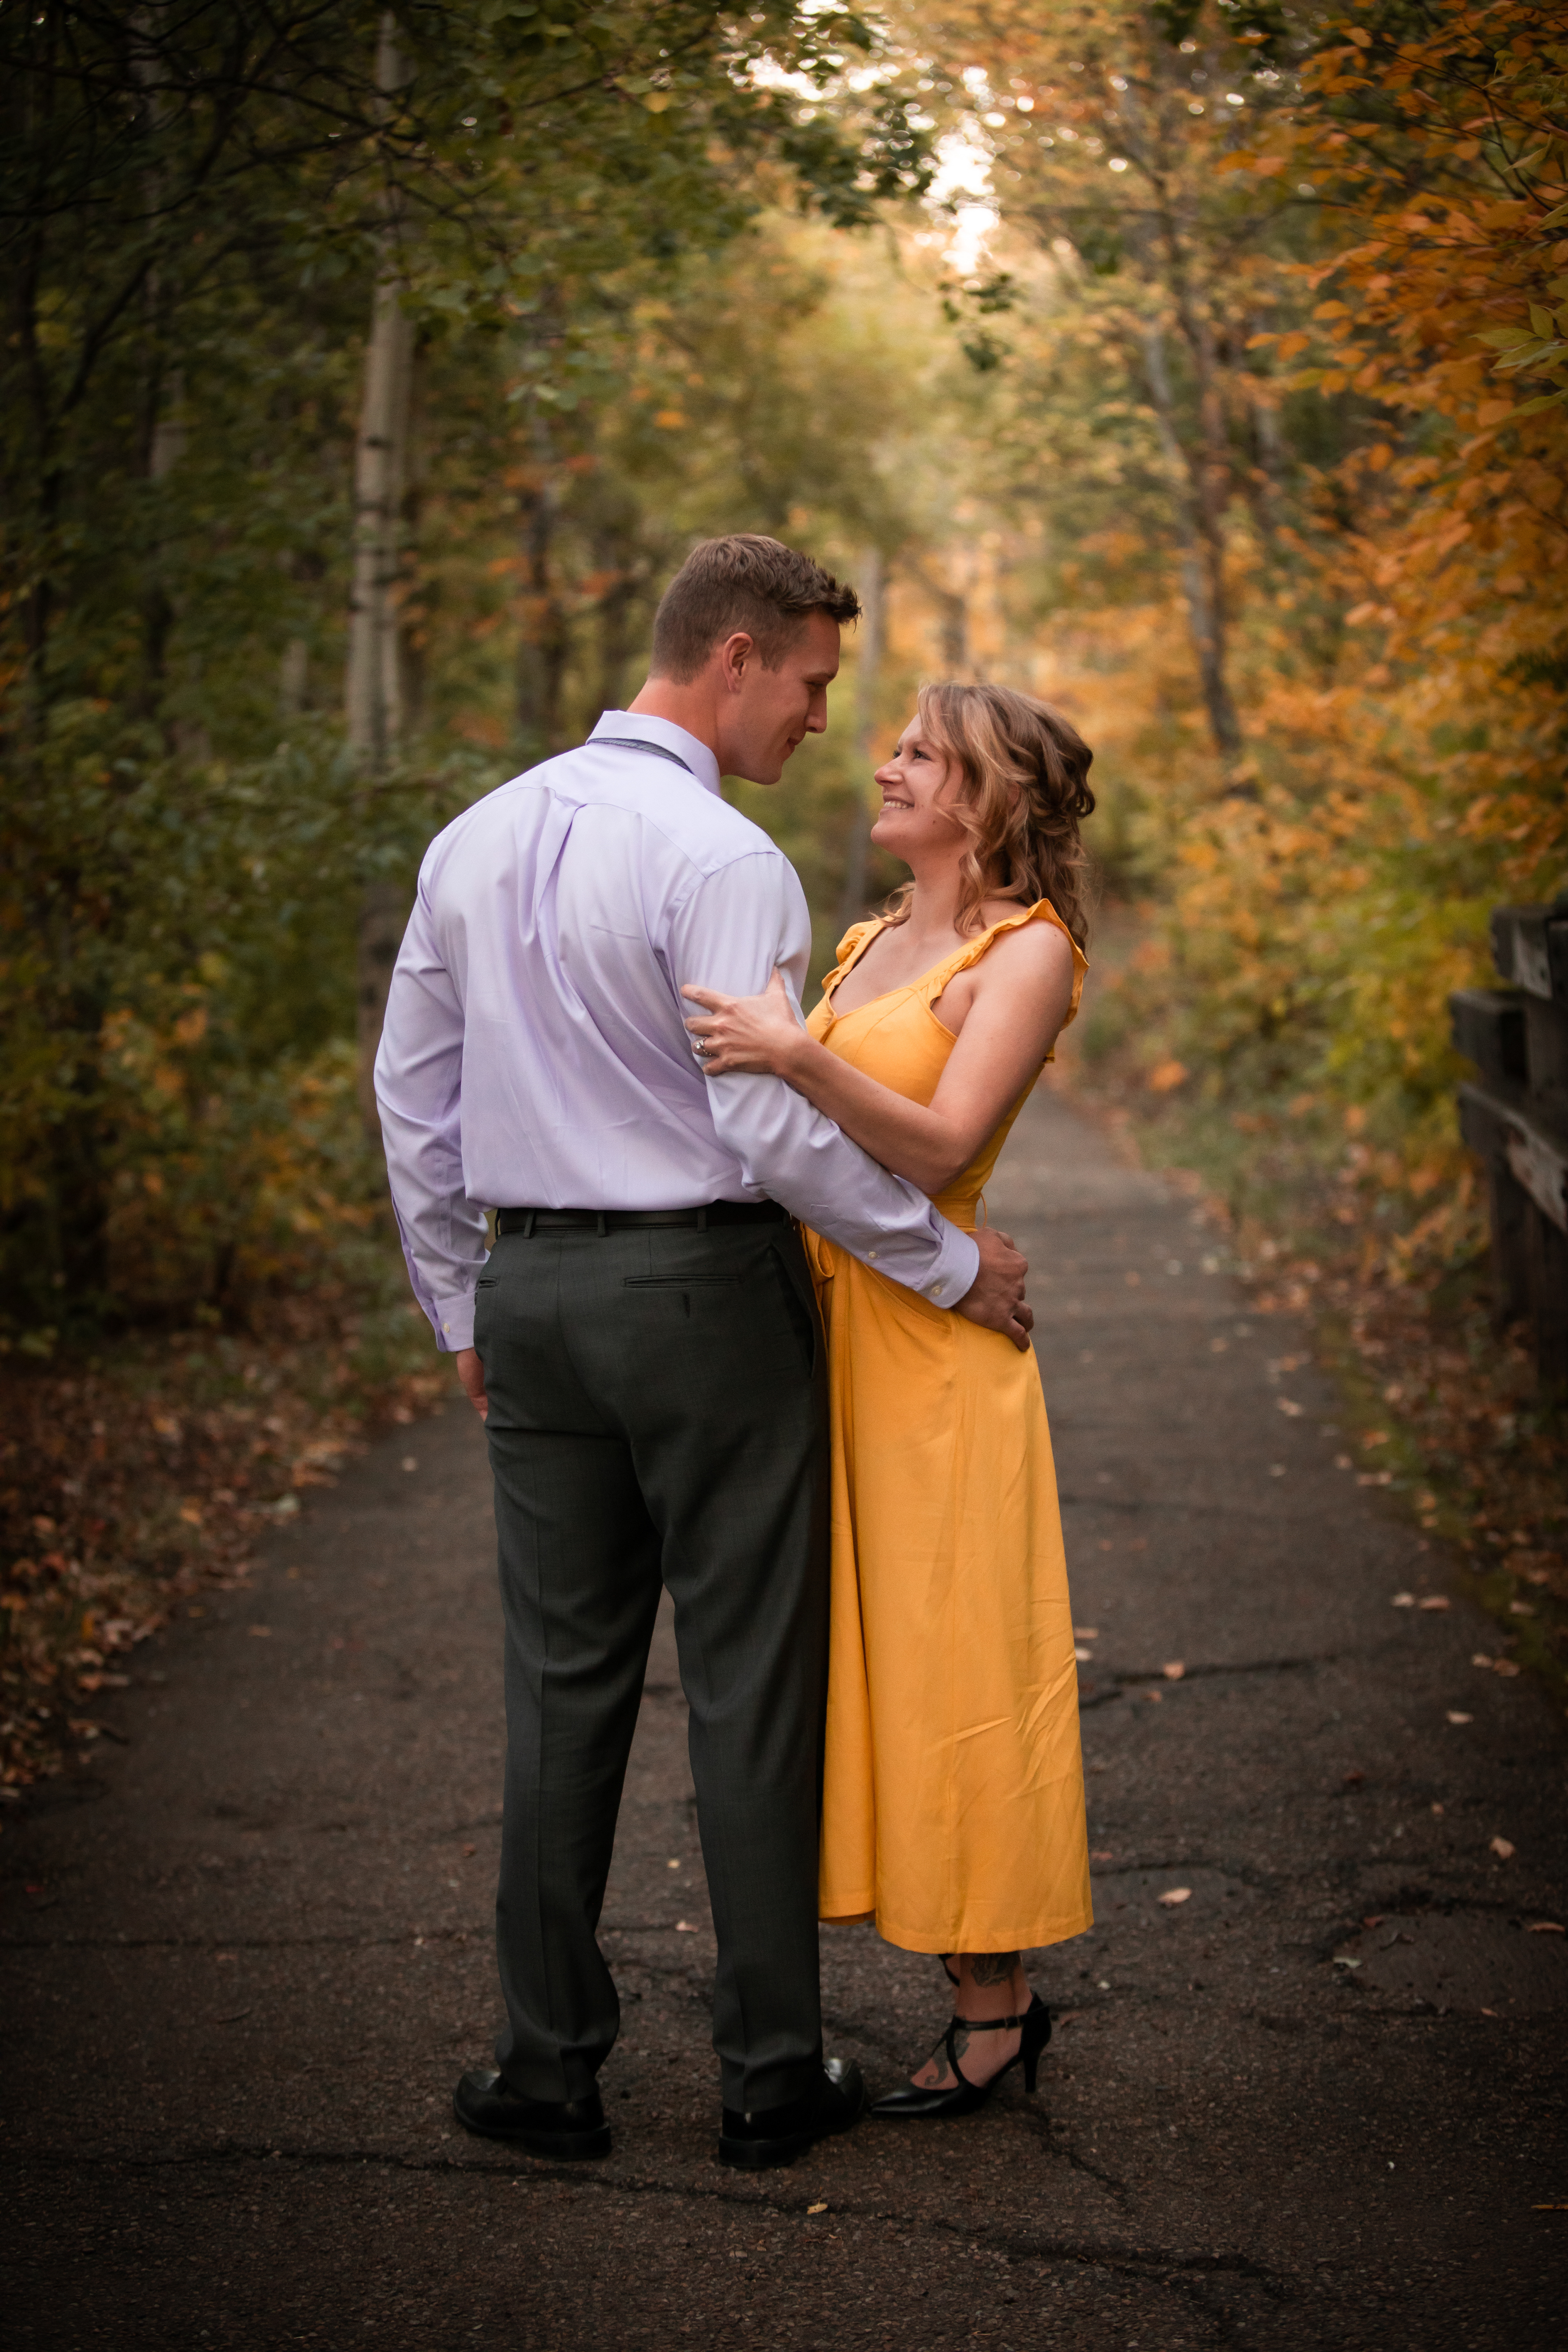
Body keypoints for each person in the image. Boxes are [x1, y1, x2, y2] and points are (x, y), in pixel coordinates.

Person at [373, 537, 1033, 2171]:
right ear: (735, 657)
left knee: (559, 1686)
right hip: (705, 1300)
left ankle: (546, 2072)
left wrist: (461, 1304)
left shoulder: (476, 835)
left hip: (533, 1295)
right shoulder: (726, 857)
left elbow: (413, 1098)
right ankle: (768, 2074)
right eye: (811, 682)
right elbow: (771, 1129)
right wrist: (947, 1262)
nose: (821, 718)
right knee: (748, 1684)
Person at [682, 678, 1095, 2117]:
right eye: (898, 747)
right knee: (855, 1666)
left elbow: (937, 1148)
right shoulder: (863, 941)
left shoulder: (1027, 953)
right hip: (827, 1333)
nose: (886, 765)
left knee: (955, 1671)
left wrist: (795, 1051)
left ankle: (997, 2010)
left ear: (990, 796)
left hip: (936, 1359)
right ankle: (954, 1974)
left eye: (923, 754)